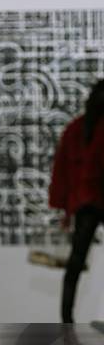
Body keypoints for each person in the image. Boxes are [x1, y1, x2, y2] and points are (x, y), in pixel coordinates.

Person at [49, 79, 104, 325]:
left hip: (84, 202)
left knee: (75, 264)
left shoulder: (77, 129)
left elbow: (62, 170)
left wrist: (64, 207)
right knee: (75, 264)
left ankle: (66, 320)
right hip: (93, 198)